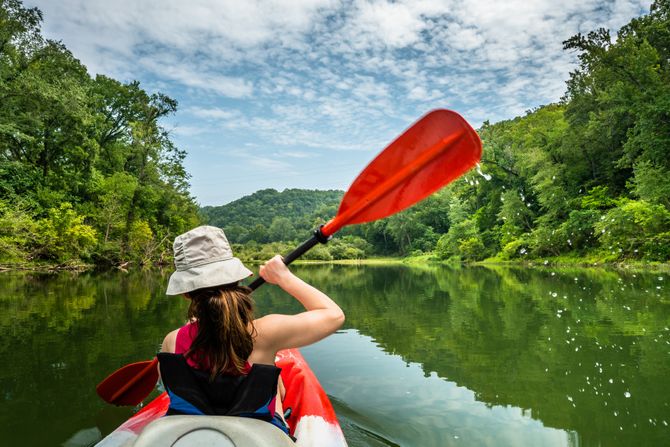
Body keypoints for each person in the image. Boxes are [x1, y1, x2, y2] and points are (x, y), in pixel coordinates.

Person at [158, 225, 344, 437]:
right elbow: (334, 315)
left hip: (193, 435)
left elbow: (174, 391)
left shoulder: (171, 341)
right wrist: (283, 277)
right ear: (236, 279)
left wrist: (197, 327)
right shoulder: (266, 333)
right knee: (272, 377)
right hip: (257, 434)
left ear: (186, 293)